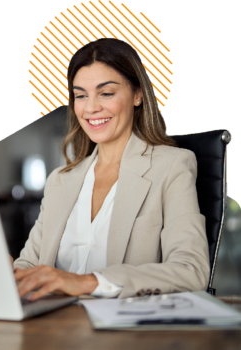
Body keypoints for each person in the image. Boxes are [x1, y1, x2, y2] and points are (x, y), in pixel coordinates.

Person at [12, 37, 210, 301]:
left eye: (106, 93)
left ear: (137, 95)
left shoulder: (171, 166)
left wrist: (86, 282)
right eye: (81, 95)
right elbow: (29, 267)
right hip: (55, 326)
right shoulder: (60, 180)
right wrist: (6, 272)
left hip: (124, 332)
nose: (91, 107)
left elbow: (191, 270)